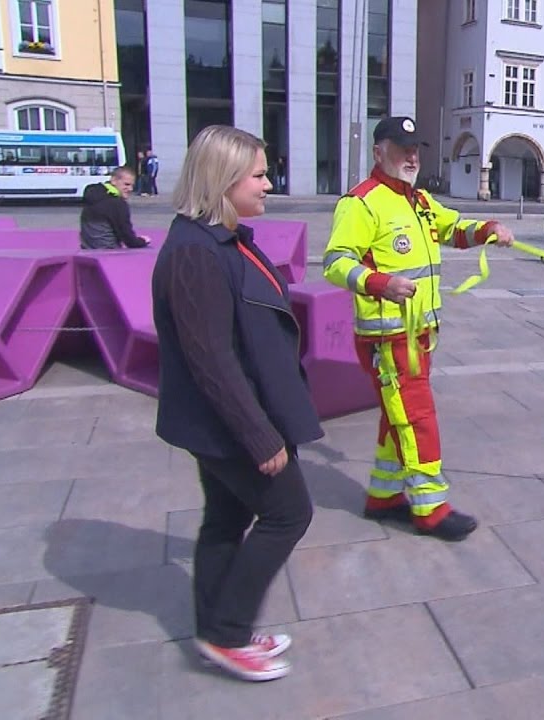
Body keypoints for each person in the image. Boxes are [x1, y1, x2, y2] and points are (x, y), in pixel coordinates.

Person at [152, 125, 321, 682]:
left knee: (226, 519)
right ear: (223, 180)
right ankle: (228, 635)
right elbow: (210, 359)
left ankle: (218, 631)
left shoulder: (225, 237)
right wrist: (259, 435)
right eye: (258, 174)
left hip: (234, 417)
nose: (269, 183)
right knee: (288, 512)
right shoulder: (196, 253)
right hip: (228, 424)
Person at [322, 116, 514, 541]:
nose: (411, 156)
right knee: (417, 418)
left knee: (399, 418)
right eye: (401, 147)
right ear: (378, 152)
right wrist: (380, 283)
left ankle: (383, 496)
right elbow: (336, 262)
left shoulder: (419, 201)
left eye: (415, 148)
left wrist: (489, 230)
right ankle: (430, 509)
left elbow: (453, 228)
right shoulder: (361, 203)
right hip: (386, 338)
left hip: (419, 334)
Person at [79, 166, 151, 250]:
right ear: (113, 180)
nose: (130, 189)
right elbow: (128, 238)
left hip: (86, 250)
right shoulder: (117, 204)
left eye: (132, 186)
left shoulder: (91, 194)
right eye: (126, 184)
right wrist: (142, 241)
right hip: (109, 251)